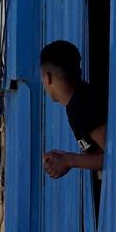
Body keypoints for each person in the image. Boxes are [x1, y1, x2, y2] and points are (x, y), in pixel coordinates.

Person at [40, 40, 106, 180]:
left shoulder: (83, 104)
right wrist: (63, 158)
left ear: (47, 78)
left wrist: (68, 160)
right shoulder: (75, 105)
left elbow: (114, 155)